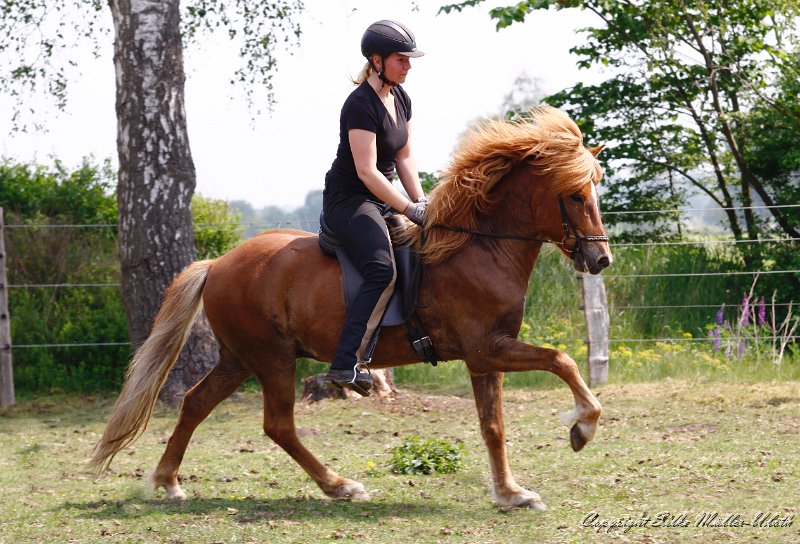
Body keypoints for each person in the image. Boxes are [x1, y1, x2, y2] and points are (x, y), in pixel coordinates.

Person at [322, 20, 427, 396]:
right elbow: (366, 172)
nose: (408, 66)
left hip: (384, 198)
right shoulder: (359, 105)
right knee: (381, 270)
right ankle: (346, 361)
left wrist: (421, 202)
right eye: (402, 59)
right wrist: (407, 208)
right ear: (377, 60)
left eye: (409, 59)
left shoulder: (401, 97)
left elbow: (405, 156)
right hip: (350, 201)